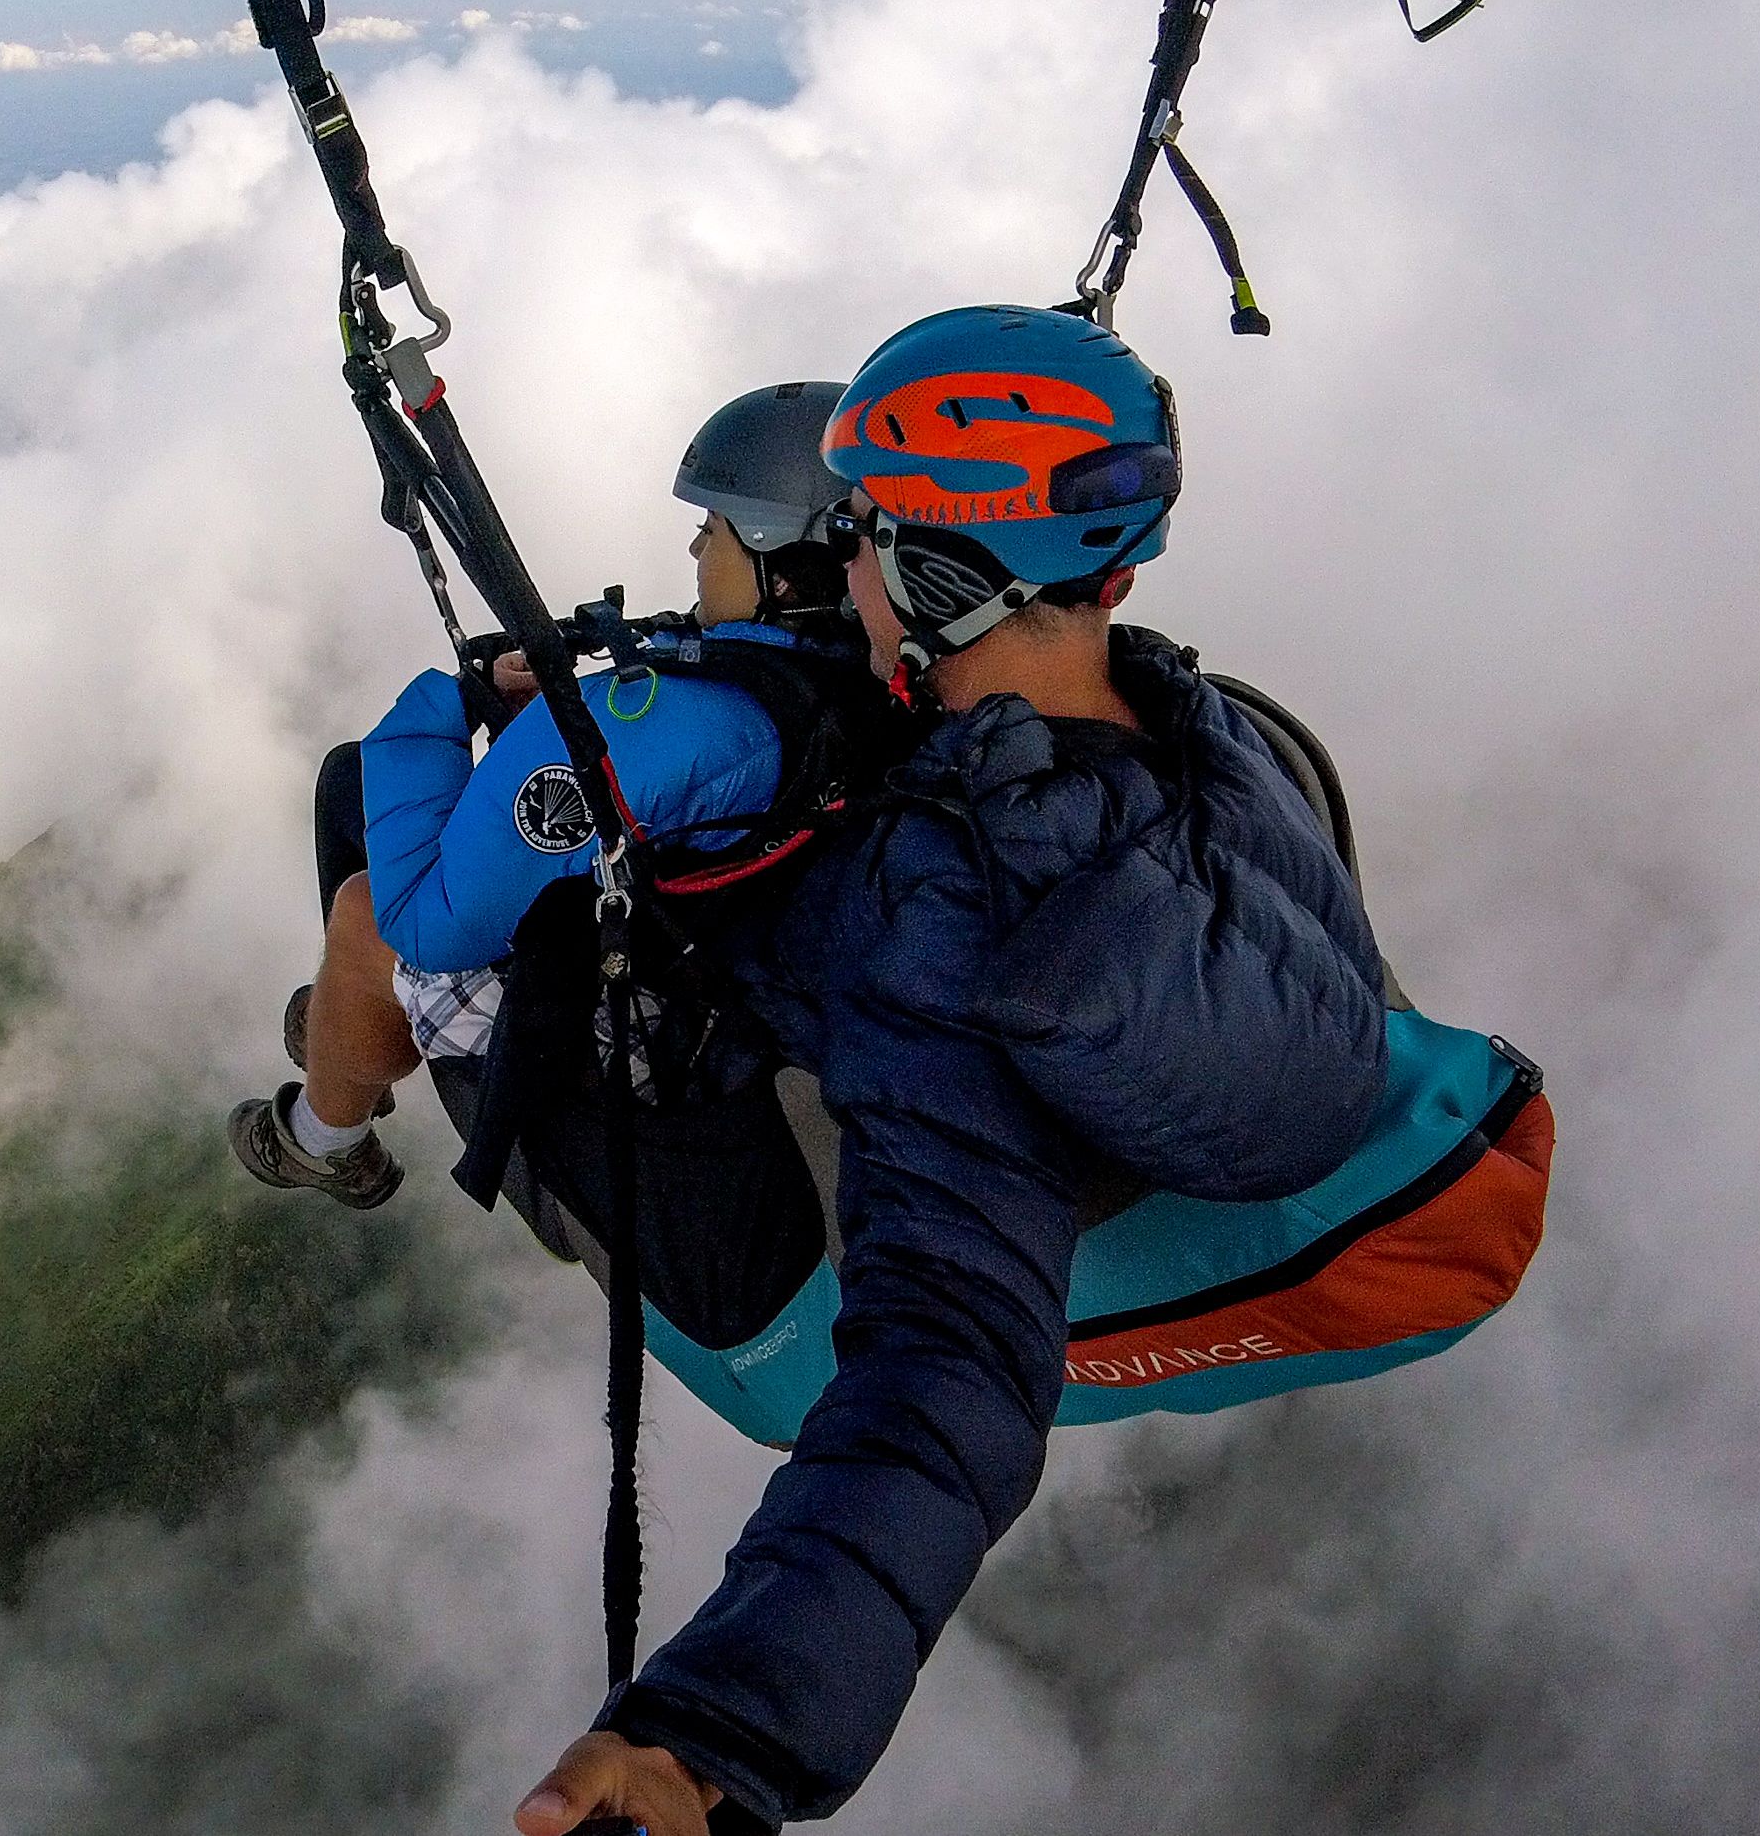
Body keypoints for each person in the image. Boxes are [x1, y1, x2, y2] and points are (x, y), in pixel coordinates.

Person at [516, 303, 1390, 1836]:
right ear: (1110, 573)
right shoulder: (1209, 735)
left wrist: (714, 1735)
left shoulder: (941, 922)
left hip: (778, 1203)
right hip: (1127, 1049)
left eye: (856, 536)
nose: (828, 565)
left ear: (925, 580)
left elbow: (946, 1373)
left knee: (488, 993)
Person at [229, 382, 865, 1211]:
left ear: (781, 568)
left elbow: (433, 921)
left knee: (366, 916)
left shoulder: (654, 733)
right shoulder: (846, 659)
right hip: (729, 900)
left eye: (711, 530)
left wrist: (447, 705)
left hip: (656, 1003)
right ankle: (348, 1033)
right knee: (353, 795)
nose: (693, 549)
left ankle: (325, 1135)